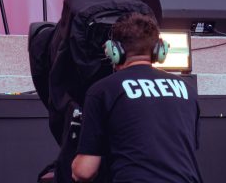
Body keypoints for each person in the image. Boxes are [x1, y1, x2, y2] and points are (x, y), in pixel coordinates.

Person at [72, 12, 202, 183]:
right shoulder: (187, 90)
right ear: (159, 50)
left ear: (114, 50)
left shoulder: (102, 91)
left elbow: (85, 171)